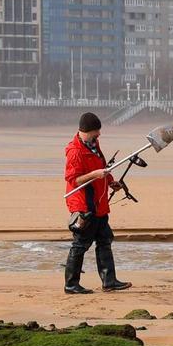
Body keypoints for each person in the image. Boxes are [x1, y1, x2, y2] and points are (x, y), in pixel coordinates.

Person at [63, 112, 132, 295]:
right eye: (96, 132)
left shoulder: (94, 144)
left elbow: (102, 168)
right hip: (84, 205)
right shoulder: (75, 152)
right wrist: (95, 175)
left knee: (104, 240)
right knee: (80, 244)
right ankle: (71, 284)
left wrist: (110, 181)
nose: (98, 135)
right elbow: (73, 180)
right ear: (86, 131)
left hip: (99, 203)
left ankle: (109, 281)